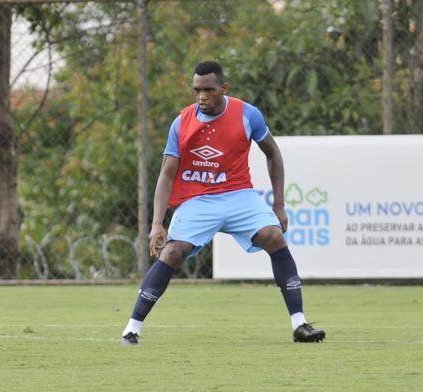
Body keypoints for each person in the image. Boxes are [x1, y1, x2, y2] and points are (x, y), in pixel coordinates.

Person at [120, 61, 326, 345]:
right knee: (172, 253)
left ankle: (299, 324)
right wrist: (157, 224)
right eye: (197, 90)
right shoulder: (182, 122)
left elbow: (273, 154)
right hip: (198, 200)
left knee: (274, 237)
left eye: (208, 90)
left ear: (223, 89)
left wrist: (278, 206)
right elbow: (166, 174)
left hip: (238, 195)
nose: (201, 96)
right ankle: (132, 328)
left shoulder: (247, 114)